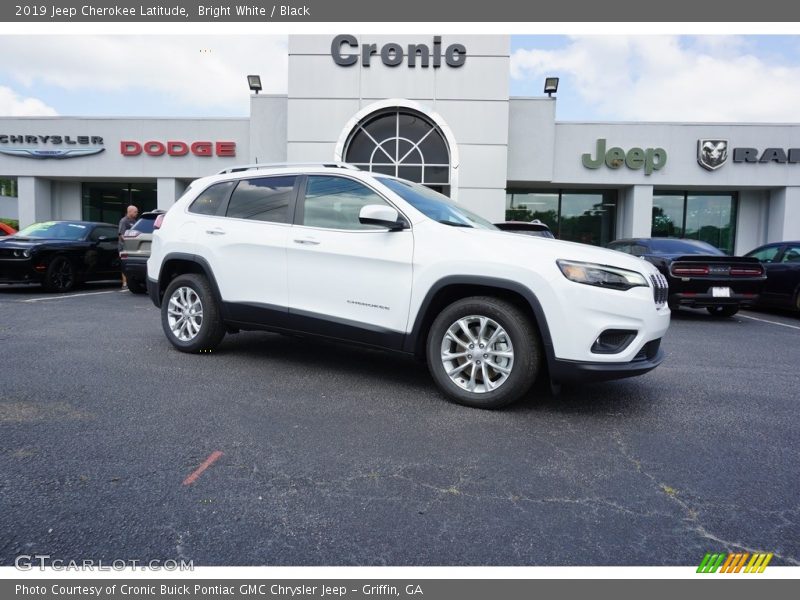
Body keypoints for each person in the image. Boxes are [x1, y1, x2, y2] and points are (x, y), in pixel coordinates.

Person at [118, 205, 139, 289]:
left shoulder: (135, 221)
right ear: (129, 211)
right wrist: (128, 242)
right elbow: (121, 235)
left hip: (133, 248)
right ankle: (124, 283)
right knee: (124, 264)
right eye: (135, 212)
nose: (137, 213)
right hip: (124, 247)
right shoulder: (124, 221)